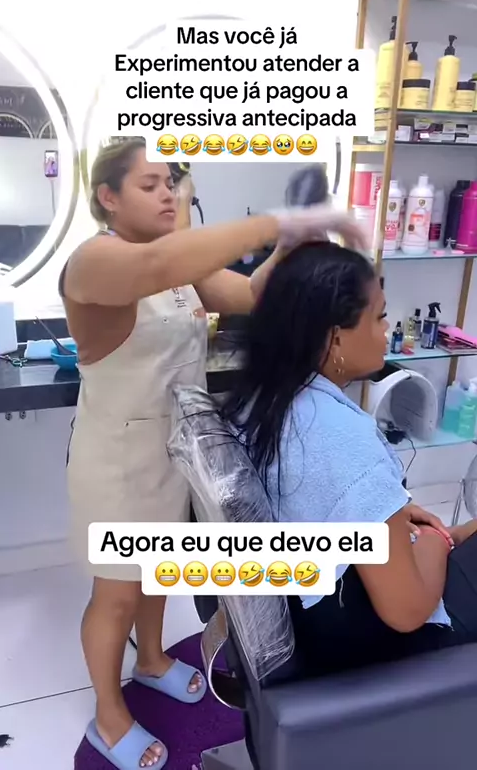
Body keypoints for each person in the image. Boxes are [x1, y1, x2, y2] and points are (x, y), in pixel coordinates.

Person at [60, 137, 366, 770]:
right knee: (116, 592)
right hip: (118, 461)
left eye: (170, 182)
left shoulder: (182, 270)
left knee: (156, 570)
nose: (167, 193)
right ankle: (109, 715)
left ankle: (150, 661)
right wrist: (282, 221)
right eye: (149, 184)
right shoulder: (94, 261)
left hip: (178, 453)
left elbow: (252, 294)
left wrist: (287, 245)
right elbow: (154, 265)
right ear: (107, 196)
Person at [222, 241, 477, 676]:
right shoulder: (342, 438)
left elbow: (321, 497)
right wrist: (438, 543)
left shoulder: (265, 399)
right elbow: (406, 611)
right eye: (379, 316)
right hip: (366, 640)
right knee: (452, 540)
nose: (387, 329)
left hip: (317, 611)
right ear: (336, 336)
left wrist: (390, 514)